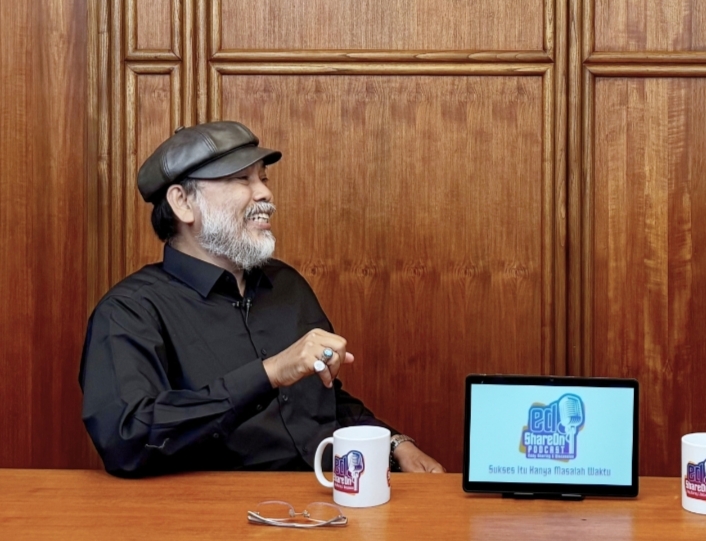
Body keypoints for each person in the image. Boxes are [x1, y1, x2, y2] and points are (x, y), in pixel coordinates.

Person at [79, 121, 444, 477]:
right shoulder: (129, 311)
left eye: (263, 178)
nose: (265, 194)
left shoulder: (287, 286)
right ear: (182, 202)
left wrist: (395, 444)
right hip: (215, 514)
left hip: (321, 505)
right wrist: (268, 374)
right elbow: (126, 439)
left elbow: (323, 400)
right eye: (242, 179)